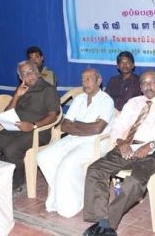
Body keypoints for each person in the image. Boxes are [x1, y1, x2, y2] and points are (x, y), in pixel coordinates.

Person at [82, 70, 155, 235]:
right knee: (95, 170)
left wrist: (151, 145)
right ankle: (102, 221)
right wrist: (121, 142)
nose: (148, 86)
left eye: (152, 82)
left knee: (134, 182)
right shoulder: (133, 102)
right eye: (144, 83)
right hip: (127, 147)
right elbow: (118, 126)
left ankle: (107, 223)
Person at [37, 68, 114, 218]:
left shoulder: (106, 100)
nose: (84, 83)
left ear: (99, 81)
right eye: (83, 79)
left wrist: (76, 125)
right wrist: (84, 127)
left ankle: (72, 205)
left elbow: (98, 128)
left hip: (95, 143)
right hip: (73, 138)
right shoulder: (79, 99)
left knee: (67, 163)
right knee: (43, 157)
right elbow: (65, 125)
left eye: (88, 79)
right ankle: (60, 193)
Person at [0, 60, 60, 191]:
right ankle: (2, 175)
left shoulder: (48, 89)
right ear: (20, 78)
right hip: (15, 128)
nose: (29, 75)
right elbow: (7, 112)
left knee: (11, 150)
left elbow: (53, 115)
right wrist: (17, 96)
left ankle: (17, 183)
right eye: (24, 74)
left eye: (31, 71)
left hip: (38, 131)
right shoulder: (22, 89)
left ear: (37, 72)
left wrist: (34, 125)